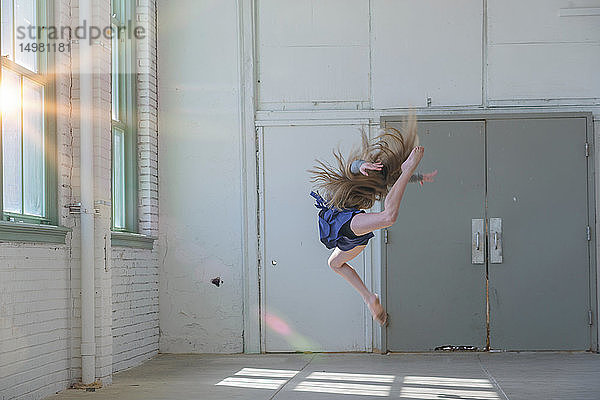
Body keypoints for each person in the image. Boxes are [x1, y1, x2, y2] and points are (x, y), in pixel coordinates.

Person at [308, 115, 437, 326]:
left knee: (388, 217)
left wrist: (413, 175)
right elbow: (353, 167)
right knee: (334, 263)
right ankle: (369, 298)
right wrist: (362, 166)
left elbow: (390, 180)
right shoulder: (354, 172)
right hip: (348, 229)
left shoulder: (374, 186)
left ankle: (409, 169)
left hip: (348, 224)